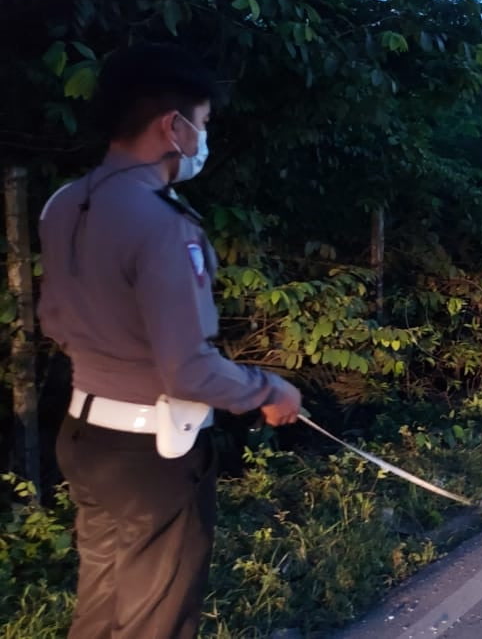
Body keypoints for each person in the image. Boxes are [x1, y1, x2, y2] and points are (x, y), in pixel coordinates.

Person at [37, 43, 302, 639]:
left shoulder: (64, 206)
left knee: (100, 606)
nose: (203, 139)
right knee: (154, 620)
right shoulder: (163, 224)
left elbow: (54, 319)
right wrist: (270, 388)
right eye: (202, 124)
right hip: (151, 455)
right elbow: (189, 372)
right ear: (172, 126)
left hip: (84, 438)